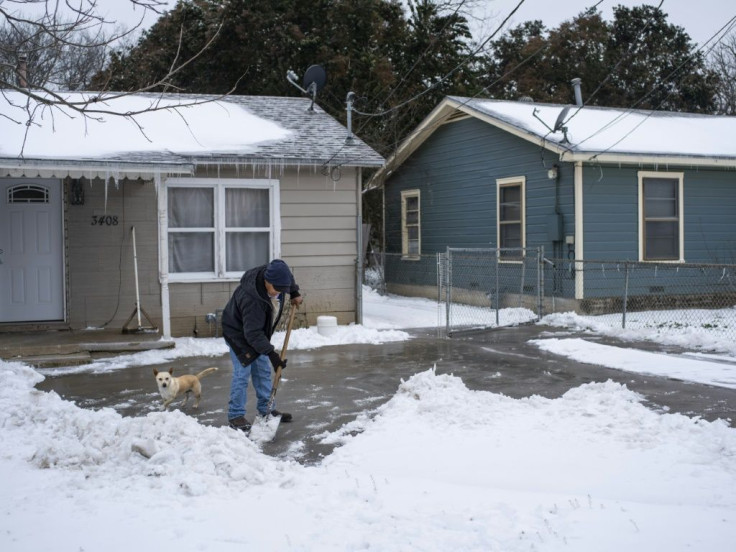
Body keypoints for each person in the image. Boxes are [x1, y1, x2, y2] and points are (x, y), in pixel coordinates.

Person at [222, 259, 303, 432]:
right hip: (238, 334)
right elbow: (252, 334)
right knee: (242, 373)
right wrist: (272, 354)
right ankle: (235, 415)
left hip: (256, 333)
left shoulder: (277, 272)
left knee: (263, 371)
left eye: (283, 290)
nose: (280, 294)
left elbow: (287, 276)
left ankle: (267, 410)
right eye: (277, 289)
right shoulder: (252, 299)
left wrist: (294, 292)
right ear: (267, 281)